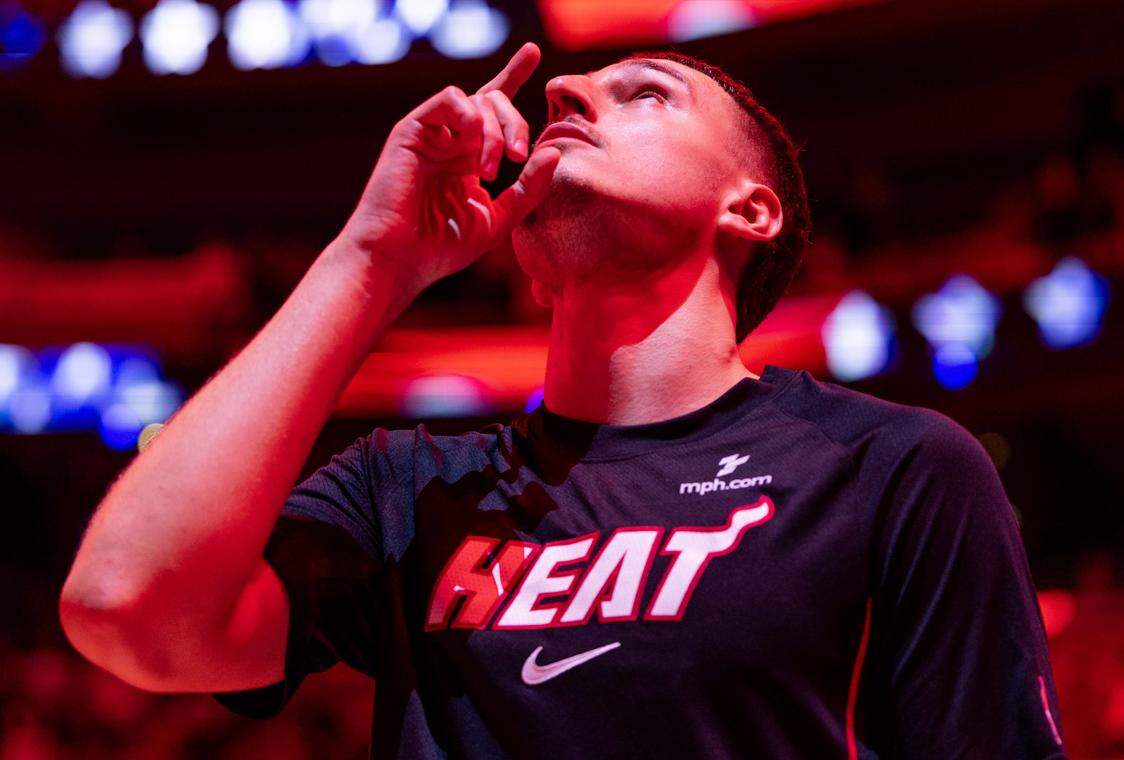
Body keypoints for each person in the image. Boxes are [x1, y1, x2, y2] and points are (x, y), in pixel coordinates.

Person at [59, 42, 1068, 758]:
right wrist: (370, 261)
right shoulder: (408, 488)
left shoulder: (890, 468)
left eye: (647, 94)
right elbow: (124, 608)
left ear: (749, 208)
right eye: (582, 86)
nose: (570, 88)